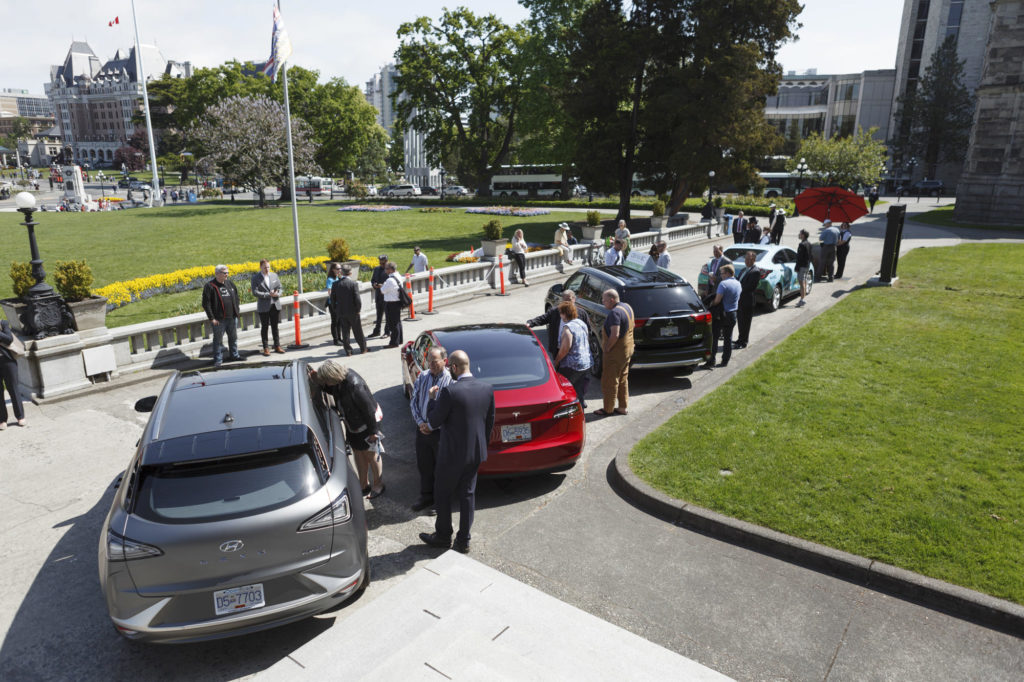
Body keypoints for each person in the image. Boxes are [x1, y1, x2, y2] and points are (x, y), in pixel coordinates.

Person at [420, 350, 495, 554]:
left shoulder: (450, 392)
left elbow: (434, 421)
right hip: (475, 453)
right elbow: (489, 422)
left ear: (453, 367)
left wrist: (433, 399)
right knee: (467, 496)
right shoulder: (487, 388)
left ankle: (443, 536)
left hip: (452, 455)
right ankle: (463, 540)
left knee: (442, 493)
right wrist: (481, 447)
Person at [309, 360, 385, 499]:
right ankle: (363, 484)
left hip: (367, 424)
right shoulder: (339, 381)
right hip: (353, 424)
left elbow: (369, 411)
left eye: (326, 380)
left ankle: (378, 484)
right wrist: (318, 380)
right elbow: (332, 389)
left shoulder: (355, 385)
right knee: (358, 453)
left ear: (332, 377)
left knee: (371, 454)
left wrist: (374, 432)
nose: (325, 383)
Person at [408, 345, 452, 513]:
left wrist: (432, 426)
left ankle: (440, 502)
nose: (431, 365)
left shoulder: (449, 380)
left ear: (445, 361)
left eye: (435, 361)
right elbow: (414, 401)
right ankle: (426, 496)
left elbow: (448, 410)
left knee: (441, 469)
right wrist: (420, 423)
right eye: (429, 361)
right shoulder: (423, 377)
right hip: (422, 429)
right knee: (424, 465)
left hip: (440, 432)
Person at [594, 289, 634, 416]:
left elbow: (615, 334)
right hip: (627, 350)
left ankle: (608, 409)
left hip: (615, 353)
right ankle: (623, 407)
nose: (602, 302)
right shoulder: (627, 307)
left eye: (604, 300)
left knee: (609, 381)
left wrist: (606, 348)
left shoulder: (615, 313)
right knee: (623, 379)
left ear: (612, 300)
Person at [527, 290, 591, 358]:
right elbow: (543, 318)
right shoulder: (555, 311)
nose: (567, 302)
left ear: (574, 299)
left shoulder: (582, 313)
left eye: (569, 300)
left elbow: (588, 331)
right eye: (565, 300)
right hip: (557, 349)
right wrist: (530, 323)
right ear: (562, 300)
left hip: (575, 351)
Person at [552, 301, 592, 408]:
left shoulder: (567, 328)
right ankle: (580, 406)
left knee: (564, 387)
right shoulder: (581, 323)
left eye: (561, 313)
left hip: (572, 365)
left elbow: (565, 348)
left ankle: (568, 410)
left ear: (565, 313)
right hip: (586, 363)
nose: (560, 315)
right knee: (578, 387)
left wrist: (556, 361)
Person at [202, 264, 242, 366]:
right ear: (217, 273)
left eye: (228, 272)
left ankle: (234, 355)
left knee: (233, 338)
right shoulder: (210, 286)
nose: (227, 275)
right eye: (225, 273)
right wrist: (212, 318)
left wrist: (237, 311)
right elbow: (206, 304)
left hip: (232, 318)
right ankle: (218, 360)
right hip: (219, 320)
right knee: (218, 341)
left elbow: (236, 298)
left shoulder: (230, 284)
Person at [705, 264, 740, 368]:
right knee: (728, 339)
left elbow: (717, 300)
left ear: (728, 273)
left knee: (714, 337)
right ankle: (725, 361)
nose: (721, 275)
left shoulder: (723, 284)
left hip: (722, 314)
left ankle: (711, 361)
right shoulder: (738, 283)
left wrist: (710, 304)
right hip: (733, 314)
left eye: (722, 273)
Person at [330, 264, 367, 356]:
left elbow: (332, 299)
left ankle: (348, 351)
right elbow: (357, 299)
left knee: (345, 331)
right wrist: (358, 309)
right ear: (350, 273)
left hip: (341, 312)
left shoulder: (335, 284)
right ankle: (363, 348)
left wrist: (336, 309)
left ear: (341, 272)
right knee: (357, 331)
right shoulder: (353, 284)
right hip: (353, 311)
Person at [251, 259, 284, 356]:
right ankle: (266, 348)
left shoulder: (274, 275)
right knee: (265, 327)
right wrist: (267, 294)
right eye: (265, 267)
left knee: (275, 327)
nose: (267, 269)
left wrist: (278, 293)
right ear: (260, 267)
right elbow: (255, 292)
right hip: (264, 306)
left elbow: (280, 287)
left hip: (275, 304)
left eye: (268, 267)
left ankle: (277, 345)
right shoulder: (255, 278)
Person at [0, 319, 26, 429]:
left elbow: (9, 339)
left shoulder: (3, 323)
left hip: (7, 361)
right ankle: (2, 419)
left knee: (13, 389)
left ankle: (20, 416)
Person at [734, 251, 762, 349]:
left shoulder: (755, 271)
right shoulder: (743, 270)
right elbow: (738, 281)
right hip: (740, 300)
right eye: (745, 258)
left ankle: (743, 342)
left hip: (747, 301)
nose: (746, 260)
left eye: (749, 259)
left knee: (745, 322)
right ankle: (740, 338)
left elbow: (749, 287)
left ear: (754, 260)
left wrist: (737, 288)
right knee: (740, 321)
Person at [380, 261, 403, 348]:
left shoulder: (390, 280)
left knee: (393, 324)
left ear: (390, 269)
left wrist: (383, 285)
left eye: (386, 268)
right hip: (397, 302)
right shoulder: (398, 276)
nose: (385, 270)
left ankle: (394, 342)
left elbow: (382, 291)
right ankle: (399, 339)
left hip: (391, 303)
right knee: (398, 322)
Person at [368, 255, 389, 338]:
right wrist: (374, 284)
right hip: (378, 295)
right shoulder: (377, 269)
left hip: (387, 296)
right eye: (380, 263)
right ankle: (377, 331)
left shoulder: (389, 270)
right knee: (378, 314)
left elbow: (391, 282)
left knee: (387, 315)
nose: (382, 264)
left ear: (387, 261)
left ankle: (387, 332)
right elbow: (373, 279)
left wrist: (382, 285)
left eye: (383, 263)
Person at [325, 262, 343, 345]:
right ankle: (335, 339)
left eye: (340, 268)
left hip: (339, 302)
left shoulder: (339, 278)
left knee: (339, 321)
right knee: (335, 321)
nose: (340, 270)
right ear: (333, 270)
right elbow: (330, 292)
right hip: (333, 303)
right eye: (338, 269)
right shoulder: (330, 279)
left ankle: (339, 338)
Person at [795, 229, 812, 307]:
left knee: (801, 283)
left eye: (800, 234)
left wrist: (797, 267)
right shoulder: (809, 243)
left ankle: (802, 300)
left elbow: (799, 258)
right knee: (804, 282)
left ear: (803, 235)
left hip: (802, 266)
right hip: (807, 265)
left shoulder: (802, 244)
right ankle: (803, 298)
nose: (799, 235)